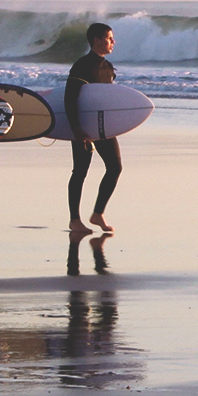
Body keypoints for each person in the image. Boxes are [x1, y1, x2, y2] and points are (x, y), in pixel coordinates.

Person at [65, 21, 122, 235]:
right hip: (83, 127)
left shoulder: (108, 68)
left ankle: (98, 214)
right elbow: (70, 98)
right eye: (109, 38)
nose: (112, 42)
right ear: (96, 40)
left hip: (103, 127)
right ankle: (74, 220)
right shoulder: (82, 66)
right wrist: (76, 129)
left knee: (115, 167)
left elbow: (107, 99)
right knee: (80, 171)